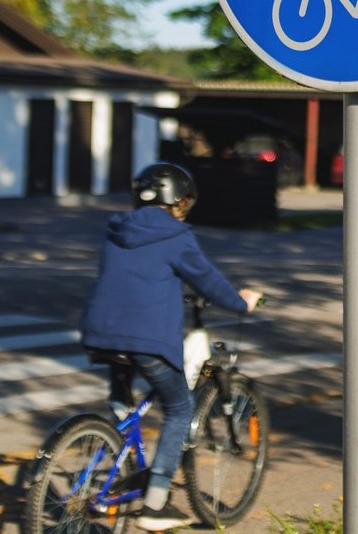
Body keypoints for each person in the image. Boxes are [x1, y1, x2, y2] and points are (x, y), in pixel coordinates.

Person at [79, 163, 263, 531]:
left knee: (125, 400)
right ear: (180, 201)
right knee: (180, 408)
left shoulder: (116, 230)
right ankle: (155, 503)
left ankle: (121, 453)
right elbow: (207, 280)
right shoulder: (176, 236)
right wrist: (242, 302)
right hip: (144, 338)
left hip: (101, 332)